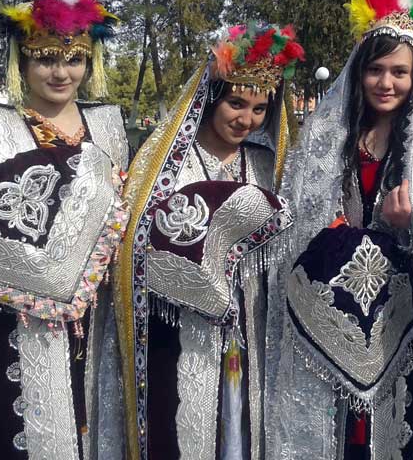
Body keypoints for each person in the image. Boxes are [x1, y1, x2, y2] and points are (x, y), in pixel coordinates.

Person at [265, 0, 413, 460]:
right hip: (330, 311)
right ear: (359, 73)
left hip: (398, 320)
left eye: (399, 72)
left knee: (390, 425)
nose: (387, 83)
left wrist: (405, 229)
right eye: (376, 70)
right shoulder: (327, 137)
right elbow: (300, 217)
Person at [0, 0, 128, 459]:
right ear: (23, 61)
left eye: (74, 59)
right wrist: (39, 279)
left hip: (98, 323)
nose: (61, 73)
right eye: (46, 58)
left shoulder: (110, 128)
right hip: (12, 321)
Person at [116, 23, 303, 460]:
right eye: (236, 103)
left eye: (259, 109)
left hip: (249, 333)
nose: (246, 119)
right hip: (178, 332)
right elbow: (132, 248)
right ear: (210, 99)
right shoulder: (164, 163)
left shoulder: (266, 166)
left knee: (240, 427)